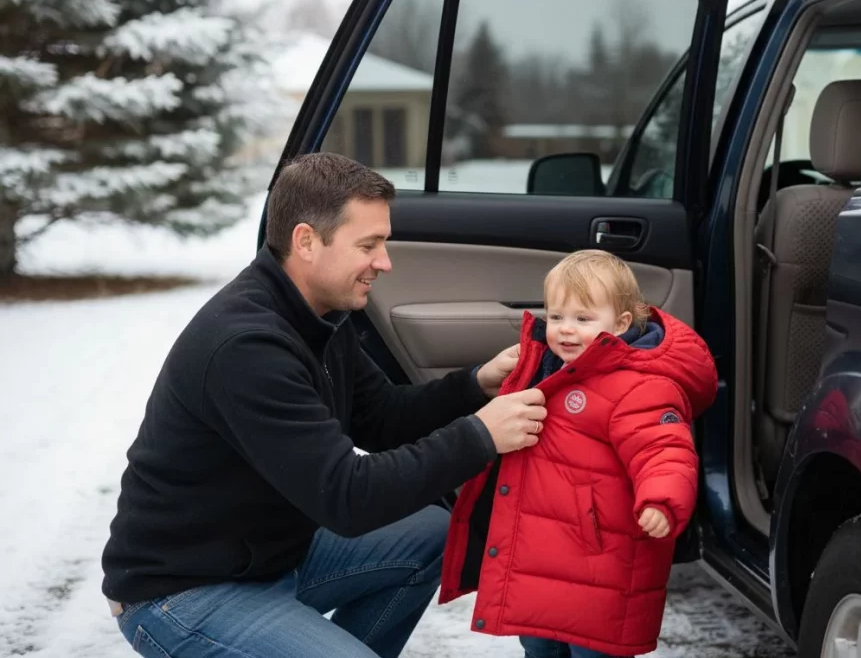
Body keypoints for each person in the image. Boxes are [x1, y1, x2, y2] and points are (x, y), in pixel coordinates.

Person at [100, 152, 547, 658]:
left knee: (431, 535)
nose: (384, 261)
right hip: (183, 591)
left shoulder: (319, 315)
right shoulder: (246, 346)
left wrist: (473, 388)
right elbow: (348, 499)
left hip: (272, 554)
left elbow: (381, 418)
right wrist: (480, 436)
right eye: (368, 245)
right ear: (307, 241)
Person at [437, 250, 719, 658]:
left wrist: (662, 499)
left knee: (591, 650)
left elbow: (665, 450)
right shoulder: (547, 368)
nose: (565, 330)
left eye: (583, 319)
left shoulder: (640, 385)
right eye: (556, 317)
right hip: (538, 557)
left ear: (621, 324)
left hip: (599, 563)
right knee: (538, 645)